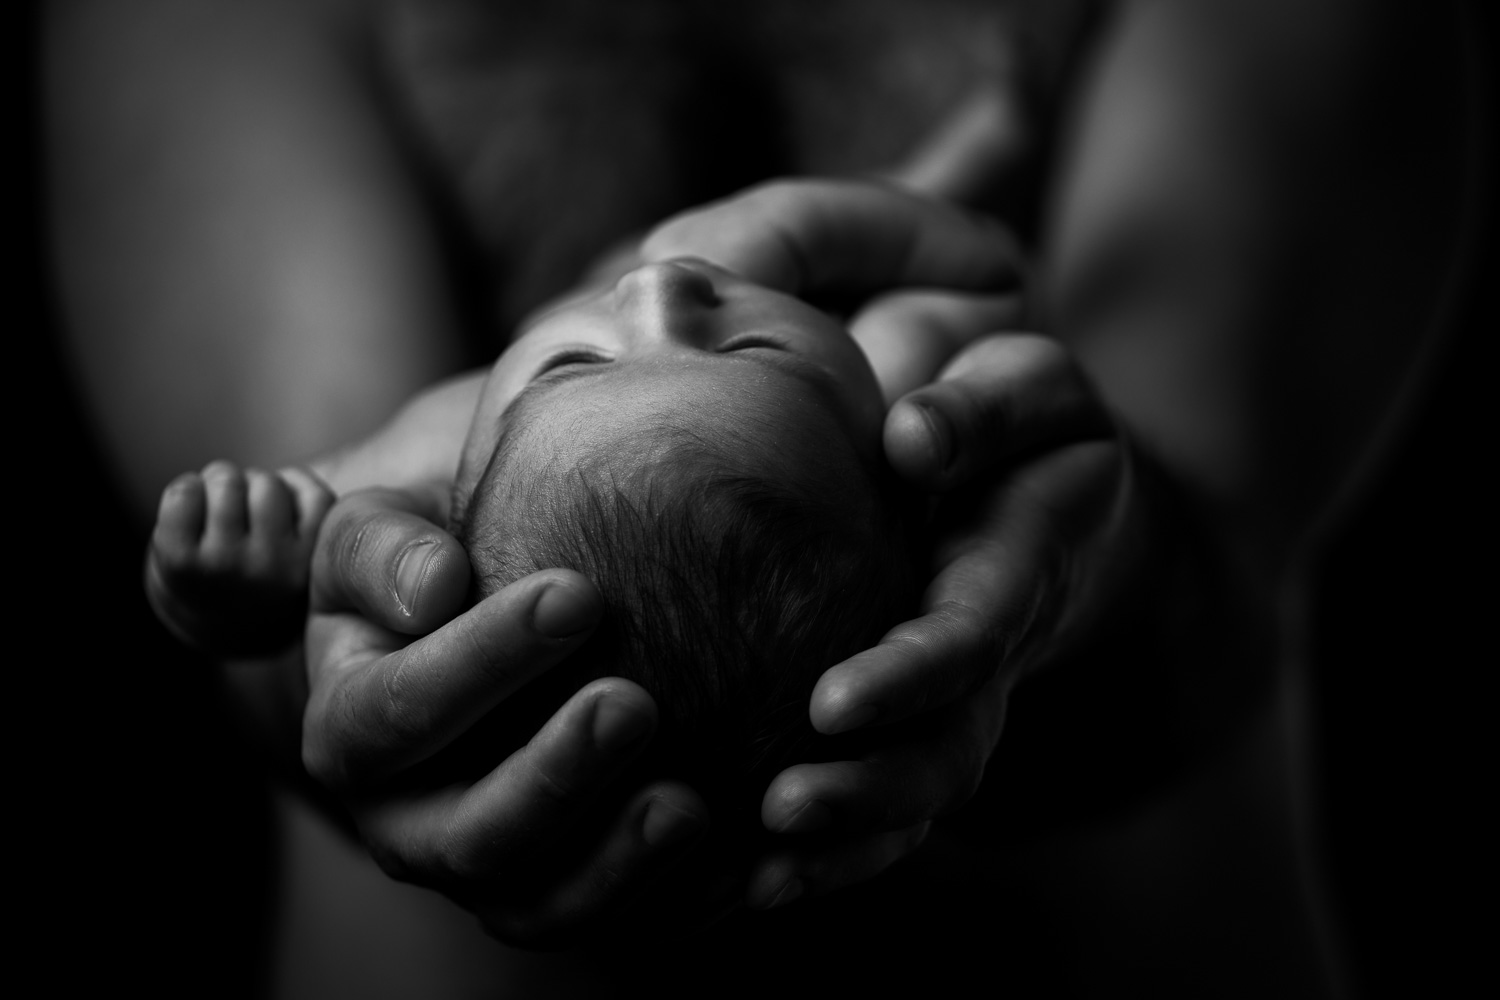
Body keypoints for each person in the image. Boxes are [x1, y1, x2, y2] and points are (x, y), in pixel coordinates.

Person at [47, 0, 1481, 993]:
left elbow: (1231, 539)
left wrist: (1088, 567)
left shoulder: (944, 393)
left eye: (592, 357)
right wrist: (304, 629)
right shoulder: (919, 354)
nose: (660, 285)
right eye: (719, 332)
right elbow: (302, 613)